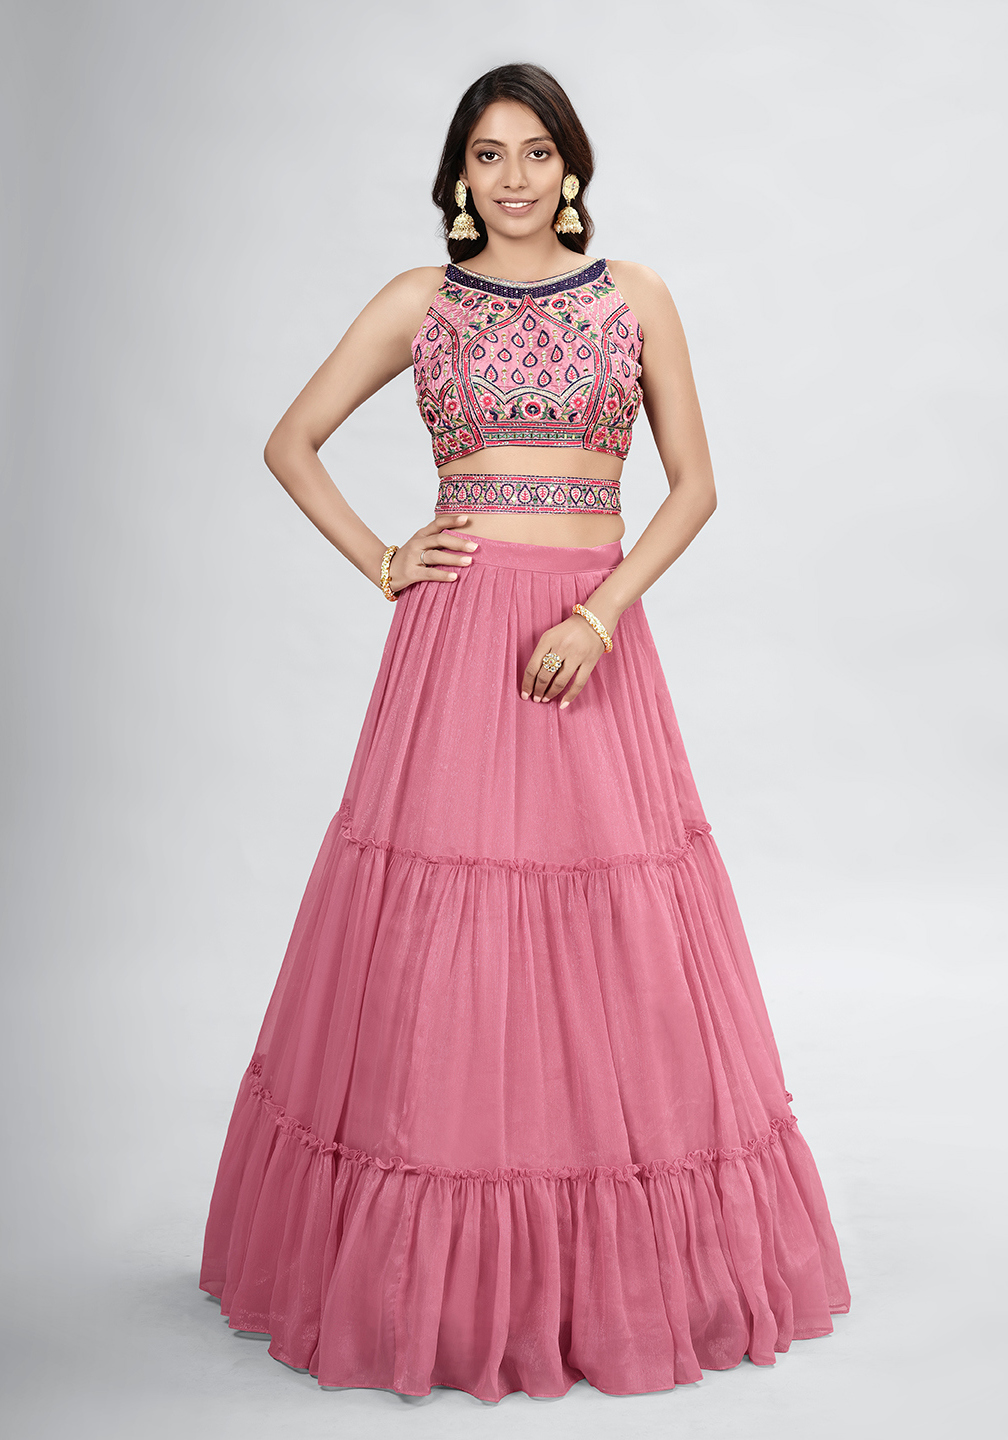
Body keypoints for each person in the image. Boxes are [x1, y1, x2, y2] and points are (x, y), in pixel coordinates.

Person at [200, 62, 850, 1403]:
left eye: (535, 152)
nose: (511, 177)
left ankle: (614, 1280)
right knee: (447, 927)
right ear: (457, 176)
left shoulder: (636, 298)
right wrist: (386, 560)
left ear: (572, 168)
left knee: (611, 925)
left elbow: (695, 487)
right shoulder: (422, 303)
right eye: (487, 154)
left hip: (585, 641)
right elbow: (291, 441)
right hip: (457, 651)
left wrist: (600, 614)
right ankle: (433, 1287)